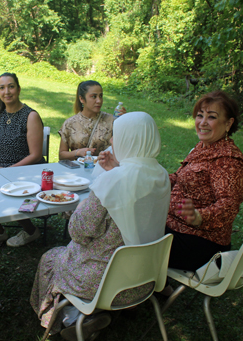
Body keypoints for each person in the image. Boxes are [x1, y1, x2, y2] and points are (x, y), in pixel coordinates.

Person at [31, 112, 171, 340]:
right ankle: (91, 315)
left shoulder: (113, 180)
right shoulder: (161, 175)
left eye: (116, 135)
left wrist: (86, 201)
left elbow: (78, 232)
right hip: (144, 278)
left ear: (130, 138)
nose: (112, 141)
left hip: (105, 282)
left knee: (51, 258)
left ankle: (71, 318)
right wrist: (116, 170)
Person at [166, 91, 243, 272]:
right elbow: (178, 177)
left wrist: (198, 217)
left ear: (228, 123)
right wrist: (146, 176)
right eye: (199, 115)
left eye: (211, 117)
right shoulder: (204, 147)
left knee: (135, 239)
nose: (202, 123)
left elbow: (229, 205)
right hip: (177, 229)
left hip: (200, 244)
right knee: (132, 223)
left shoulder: (228, 160)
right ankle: (157, 286)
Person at [0, 72, 44, 251]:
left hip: (29, 171)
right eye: (2, 87)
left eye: (11, 86)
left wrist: (8, 171)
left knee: (8, 192)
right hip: (3, 170)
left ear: (18, 89)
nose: (7, 91)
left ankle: (31, 231)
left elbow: (35, 155)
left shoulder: (30, 116)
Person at [58, 80, 125, 160]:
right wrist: (78, 153)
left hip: (105, 169)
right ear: (82, 99)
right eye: (94, 96)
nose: (99, 101)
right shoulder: (70, 123)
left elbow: (124, 149)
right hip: (78, 170)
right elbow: (62, 155)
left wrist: (125, 122)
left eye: (100, 96)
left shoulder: (112, 121)